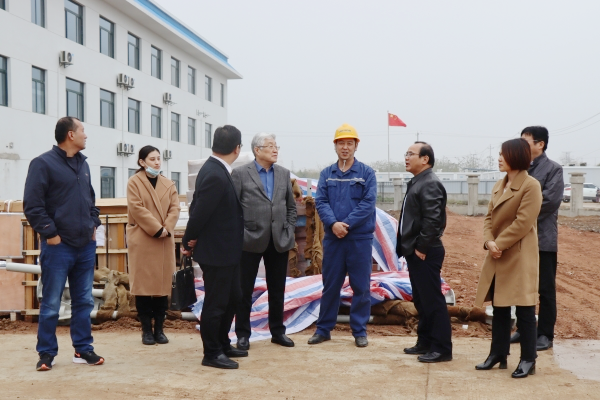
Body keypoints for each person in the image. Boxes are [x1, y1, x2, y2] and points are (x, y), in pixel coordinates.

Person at [23, 117, 104, 371]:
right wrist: (51, 234)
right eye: (82, 131)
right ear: (70, 134)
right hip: (58, 247)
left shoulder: (83, 164)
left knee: (84, 301)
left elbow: (90, 199)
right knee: (51, 303)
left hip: (84, 246)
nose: (85, 135)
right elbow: (33, 206)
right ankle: (46, 353)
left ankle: (83, 349)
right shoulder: (43, 164)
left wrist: (94, 224)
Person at [474, 138, 542, 378]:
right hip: (497, 253)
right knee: (499, 307)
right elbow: (488, 218)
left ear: (516, 156)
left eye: (503, 154)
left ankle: (528, 359)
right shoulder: (499, 184)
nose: (499, 158)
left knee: (524, 309)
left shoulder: (531, 186)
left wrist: (498, 244)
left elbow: (523, 222)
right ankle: (498, 354)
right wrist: (489, 242)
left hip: (519, 255)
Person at [181, 125, 247, 369]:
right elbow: (199, 213)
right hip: (217, 252)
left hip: (227, 251)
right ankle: (211, 352)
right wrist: (188, 240)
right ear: (237, 148)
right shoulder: (216, 174)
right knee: (216, 303)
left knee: (233, 298)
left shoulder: (216, 169)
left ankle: (222, 342)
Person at [307, 123, 377, 348]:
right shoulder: (327, 174)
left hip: (359, 239)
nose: (345, 147)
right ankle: (324, 329)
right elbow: (321, 201)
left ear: (356, 146)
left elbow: (368, 203)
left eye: (349, 143)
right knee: (330, 285)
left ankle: (359, 331)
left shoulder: (367, 174)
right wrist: (333, 224)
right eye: (341, 143)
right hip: (333, 239)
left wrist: (345, 224)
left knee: (361, 286)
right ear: (335, 146)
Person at [232, 132, 297, 350]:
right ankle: (243, 334)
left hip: (279, 239)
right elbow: (233, 208)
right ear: (257, 150)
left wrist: (288, 228)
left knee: (277, 289)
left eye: (276, 146)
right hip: (249, 239)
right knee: (244, 290)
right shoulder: (241, 174)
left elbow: (291, 206)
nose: (275, 149)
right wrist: (241, 233)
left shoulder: (283, 174)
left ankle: (278, 332)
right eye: (270, 146)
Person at [396, 141, 453, 363]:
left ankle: (442, 348)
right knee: (421, 299)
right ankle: (426, 341)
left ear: (425, 159)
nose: (406, 157)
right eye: (406, 153)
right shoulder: (418, 181)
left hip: (425, 251)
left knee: (432, 300)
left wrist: (422, 247)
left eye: (411, 154)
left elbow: (433, 219)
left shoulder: (430, 183)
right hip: (416, 250)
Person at [510, 126, 563, 351]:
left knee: (545, 289)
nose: (521, 145)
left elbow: (549, 202)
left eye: (526, 141)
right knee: (522, 286)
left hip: (542, 240)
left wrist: (520, 217)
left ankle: (545, 334)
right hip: (519, 239)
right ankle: (525, 329)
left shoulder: (553, 169)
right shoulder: (519, 168)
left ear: (540, 144)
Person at [126, 145, 180, 346]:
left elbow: (175, 208)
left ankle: (160, 329)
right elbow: (137, 208)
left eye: (158, 158)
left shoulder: (169, 183)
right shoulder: (134, 182)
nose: (157, 162)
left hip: (164, 239)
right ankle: (146, 331)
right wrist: (157, 229)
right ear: (142, 162)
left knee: (161, 287)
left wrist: (167, 227)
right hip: (143, 238)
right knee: (143, 287)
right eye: (152, 159)